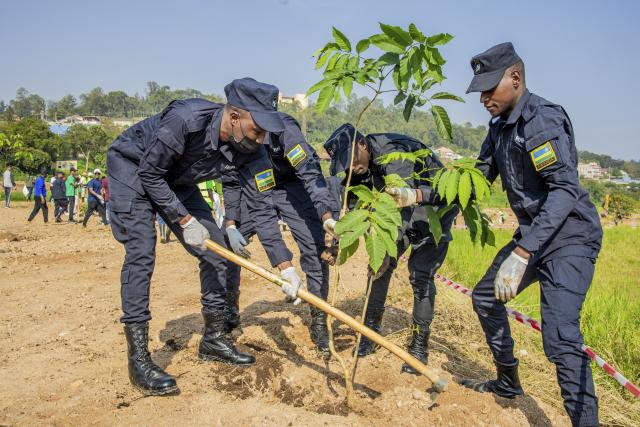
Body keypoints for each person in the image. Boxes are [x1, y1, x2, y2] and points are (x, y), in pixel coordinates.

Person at [107, 77, 305, 396]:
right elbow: (150, 173)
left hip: (179, 181)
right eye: (258, 129)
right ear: (234, 116)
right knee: (142, 253)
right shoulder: (186, 120)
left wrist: (286, 267)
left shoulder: (255, 151)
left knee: (219, 251)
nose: (262, 138)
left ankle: (213, 338)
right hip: (133, 170)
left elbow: (263, 209)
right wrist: (184, 220)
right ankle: (139, 359)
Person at [460, 43, 601, 427]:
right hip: (534, 235)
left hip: (569, 239)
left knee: (560, 339)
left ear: (516, 79)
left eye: (490, 88)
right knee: (486, 299)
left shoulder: (542, 121)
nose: (483, 98)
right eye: (479, 91)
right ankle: (507, 382)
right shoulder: (499, 128)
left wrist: (521, 253)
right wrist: (418, 194)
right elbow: (474, 182)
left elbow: (564, 191)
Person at [323, 124, 457, 373]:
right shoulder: (362, 163)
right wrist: (337, 242)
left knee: (421, 275)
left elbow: (403, 206)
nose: (351, 168)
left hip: (433, 208)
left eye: (351, 159)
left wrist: (387, 252)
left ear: (362, 144)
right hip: (402, 211)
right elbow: (353, 205)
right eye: (345, 165)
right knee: (377, 269)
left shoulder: (392, 154)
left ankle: (419, 347)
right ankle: (370, 333)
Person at [222, 112, 339, 356]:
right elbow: (231, 177)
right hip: (256, 188)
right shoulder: (240, 134)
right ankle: (229, 313)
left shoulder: (287, 131)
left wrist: (326, 214)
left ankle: (318, 320)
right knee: (228, 247)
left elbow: (309, 172)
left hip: (293, 186)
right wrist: (231, 222)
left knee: (314, 247)